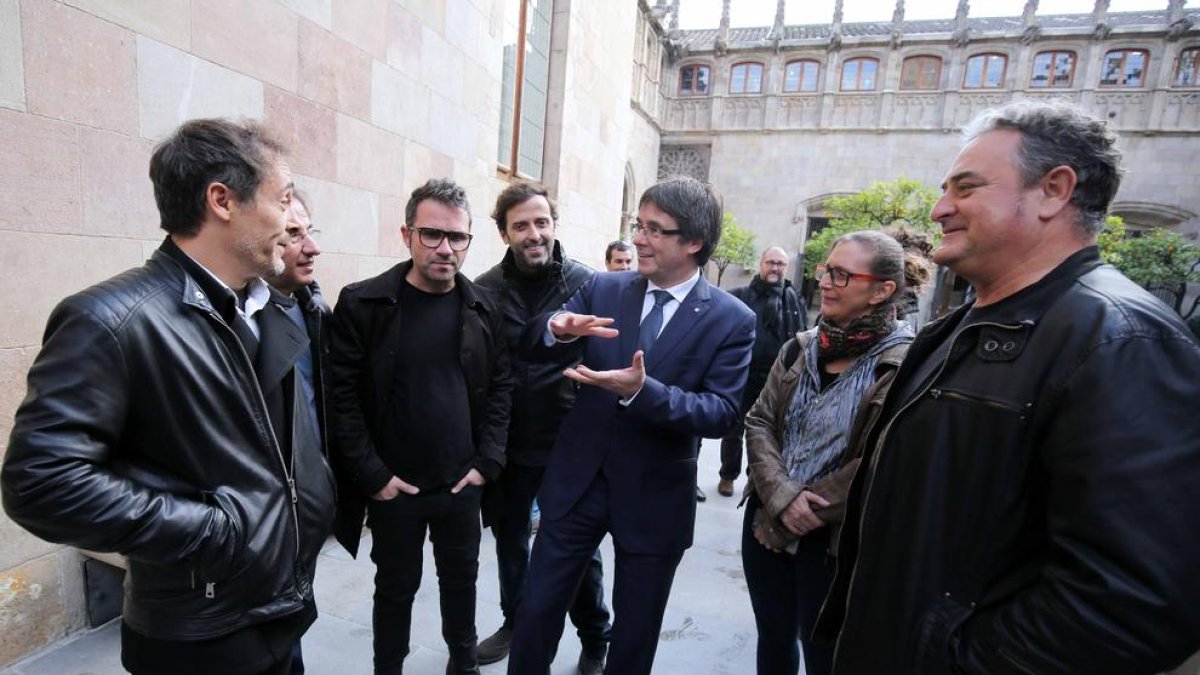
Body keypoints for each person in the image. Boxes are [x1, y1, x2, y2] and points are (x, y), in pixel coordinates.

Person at [815, 101, 1200, 673]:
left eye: (966, 189)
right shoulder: (955, 329)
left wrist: (953, 661)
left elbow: (1132, 602)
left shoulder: (1121, 340)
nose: (940, 208)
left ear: (1054, 190)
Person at [1, 119, 336, 675]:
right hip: (198, 633)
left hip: (281, 608)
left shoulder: (270, 307)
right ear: (222, 201)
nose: (292, 222)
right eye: (283, 200)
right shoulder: (110, 321)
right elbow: (42, 482)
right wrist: (215, 531)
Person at [506, 176, 756, 675]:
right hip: (577, 483)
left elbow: (721, 413)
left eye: (655, 230)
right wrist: (558, 328)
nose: (639, 239)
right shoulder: (603, 287)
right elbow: (534, 343)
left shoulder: (733, 319)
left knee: (635, 635)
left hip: (654, 496)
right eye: (638, 226)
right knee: (535, 612)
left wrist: (642, 392)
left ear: (694, 243)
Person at [327, 178, 512, 675]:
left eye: (458, 238)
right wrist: (373, 476)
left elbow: (500, 389)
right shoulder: (363, 304)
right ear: (406, 234)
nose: (445, 248)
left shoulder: (484, 306)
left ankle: (463, 663)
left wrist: (486, 463)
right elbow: (341, 398)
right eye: (432, 234)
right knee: (394, 589)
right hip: (395, 487)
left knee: (462, 583)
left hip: (460, 484)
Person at [741, 231, 928, 675]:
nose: (824, 281)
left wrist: (811, 508)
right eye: (826, 270)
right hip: (766, 521)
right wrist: (783, 496)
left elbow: (885, 456)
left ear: (882, 290)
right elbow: (759, 421)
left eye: (841, 275)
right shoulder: (799, 348)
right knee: (773, 642)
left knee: (826, 655)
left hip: (835, 546)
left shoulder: (908, 364)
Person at [473, 182, 611, 674]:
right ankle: (517, 622)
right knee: (511, 542)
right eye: (521, 225)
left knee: (579, 551)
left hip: (568, 441)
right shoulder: (485, 289)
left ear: (553, 224)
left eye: (541, 222)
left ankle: (596, 636)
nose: (534, 234)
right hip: (508, 445)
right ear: (504, 233)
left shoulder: (589, 283)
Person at [265, 191, 331, 675]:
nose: (311, 248)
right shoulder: (235, 319)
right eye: (293, 235)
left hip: (299, 523)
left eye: (310, 232)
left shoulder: (311, 306)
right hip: (255, 530)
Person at [719, 245, 807, 497]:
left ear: (786, 268)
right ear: (761, 264)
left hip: (777, 378)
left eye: (780, 264)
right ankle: (727, 475)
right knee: (734, 428)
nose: (775, 268)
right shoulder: (741, 295)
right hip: (743, 375)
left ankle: (754, 478)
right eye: (771, 262)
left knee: (767, 432)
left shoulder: (793, 298)